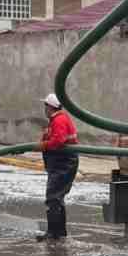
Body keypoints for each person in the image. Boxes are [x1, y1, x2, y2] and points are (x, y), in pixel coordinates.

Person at [36, 93, 79, 242]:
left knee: (53, 198)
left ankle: (53, 234)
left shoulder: (59, 120)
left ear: (49, 107)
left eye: (45, 106)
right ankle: (59, 233)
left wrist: (43, 145)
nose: (44, 109)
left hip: (64, 163)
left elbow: (58, 140)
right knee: (56, 198)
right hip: (62, 163)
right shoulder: (57, 119)